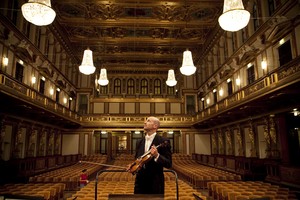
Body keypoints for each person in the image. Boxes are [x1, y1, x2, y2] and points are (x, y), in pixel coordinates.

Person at [128, 116, 172, 194]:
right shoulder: (139, 142)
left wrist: (157, 155)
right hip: (140, 182)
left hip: (155, 183)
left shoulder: (163, 141)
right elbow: (138, 159)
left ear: (155, 126)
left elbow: (168, 163)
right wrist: (133, 166)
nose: (145, 122)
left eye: (148, 121)